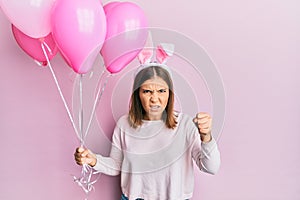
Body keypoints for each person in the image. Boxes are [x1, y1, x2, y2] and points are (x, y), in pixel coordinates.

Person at [74, 44, 221, 200]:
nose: (154, 98)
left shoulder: (185, 125)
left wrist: (206, 137)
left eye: (161, 91)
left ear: (170, 93)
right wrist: (93, 160)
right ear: (138, 94)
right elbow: (117, 165)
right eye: (147, 91)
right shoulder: (125, 125)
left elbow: (211, 167)